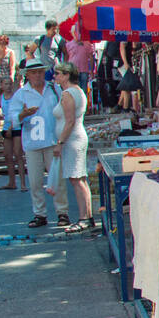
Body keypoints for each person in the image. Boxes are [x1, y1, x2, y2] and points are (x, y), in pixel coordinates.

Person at [13, 57, 63, 227]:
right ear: (27, 75)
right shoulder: (21, 94)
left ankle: (62, 212)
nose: (37, 75)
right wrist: (23, 115)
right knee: (35, 181)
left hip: (52, 141)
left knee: (57, 179)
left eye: (40, 72)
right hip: (33, 144)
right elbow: (12, 119)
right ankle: (40, 214)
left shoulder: (54, 89)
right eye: (33, 72)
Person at [52, 62, 92, 232]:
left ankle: (84, 217)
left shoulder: (68, 94)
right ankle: (87, 216)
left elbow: (69, 121)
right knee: (80, 178)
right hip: (76, 138)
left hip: (72, 140)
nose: (55, 77)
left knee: (76, 179)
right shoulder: (78, 91)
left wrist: (60, 142)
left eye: (58, 74)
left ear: (67, 75)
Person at [0, 78, 23, 191]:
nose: (8, 86)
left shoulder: (16, 97)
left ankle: (23, 183)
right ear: (2, 85)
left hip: (16, 127)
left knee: (18, 154)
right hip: (6, 128)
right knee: (7, 155)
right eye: (6, 84)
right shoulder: (0, 98)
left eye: (10, 84)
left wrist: (11, 127)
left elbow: (19, 113)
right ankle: (11, 182)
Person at [0, 33, 17, 133]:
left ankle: (8, 118)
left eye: (4, 43)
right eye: (0, 43)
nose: (2, 45)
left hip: (7, 76)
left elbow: (12, 66)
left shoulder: (10, 52)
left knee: (7, 97)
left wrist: (12, 77)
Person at [64, 29, 95, 94]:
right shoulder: (68, 44)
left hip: (84, 70)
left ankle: (83, 103)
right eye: (74, 32)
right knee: (74, 90)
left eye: (77, 32)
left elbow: (91, 57)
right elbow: (66, 57)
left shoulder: (87, 43)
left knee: (83, 91)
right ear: (72, 33)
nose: (76, 34)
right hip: (73, 71)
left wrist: (92, 71)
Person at [116, 41, 142, 112]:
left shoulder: (128, 37)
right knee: (127, 86)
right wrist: (125, 63)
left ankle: (119, 105)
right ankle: (125, 107)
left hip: (124, 63)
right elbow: (122, 49)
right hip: (124, 63)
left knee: (125, 84)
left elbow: (132, 48)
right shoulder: (125, 36)